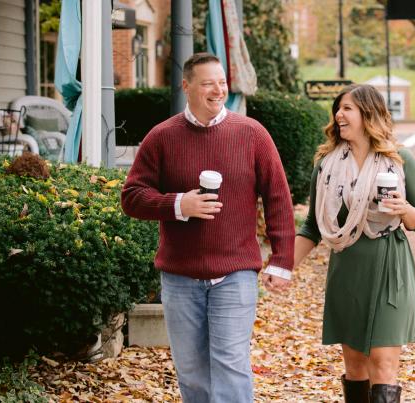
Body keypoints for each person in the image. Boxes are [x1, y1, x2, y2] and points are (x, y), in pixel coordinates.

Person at [121, 52, 295, 403]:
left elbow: (278, 196)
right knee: (191, 369)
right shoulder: (162, 137)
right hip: (180, 276)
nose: (218, 90)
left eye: (222, 82)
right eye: (208, 83)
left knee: (231, 364)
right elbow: (132, 197)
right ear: (186, 86)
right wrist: (177, 205)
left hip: (235, 273)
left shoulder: (252, 134)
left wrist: (282, 259)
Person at [293, 84, 415, 403]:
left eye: (348, 108)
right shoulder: (327, 165)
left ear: (368, 114)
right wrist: (282, 266)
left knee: (382, 364)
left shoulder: (399, 159)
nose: (339, 114)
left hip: (389, 267)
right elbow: (312, 226)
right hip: (347, 270)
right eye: (338, 108)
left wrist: (404, 209)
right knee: (355, 368)